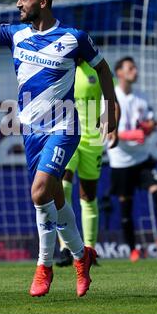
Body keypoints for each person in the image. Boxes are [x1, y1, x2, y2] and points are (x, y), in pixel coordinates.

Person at [0, 0, 117, 296]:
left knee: (38, 192)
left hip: (64, 125)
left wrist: (111, 110)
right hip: (30, 130)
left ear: (42, 2)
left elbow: (104, 70)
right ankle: (81, 256)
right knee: (55, 199)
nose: (18, 3)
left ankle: (43, 265)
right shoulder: (16, 34)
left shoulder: (74, 38)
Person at [107, 56, 157, 262]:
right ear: (119, 73)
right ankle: (133, 250)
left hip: (143, 158)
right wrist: (131, 134)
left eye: (135, 68)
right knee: (126, 207)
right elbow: (107, 132)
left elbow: (151, 121)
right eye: (130, 68)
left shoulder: (141, 97)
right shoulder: (111, 98)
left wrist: (150, 126)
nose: (135, 71)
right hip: (121, 161)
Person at [56, 59, 119, 267]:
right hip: (67, 135)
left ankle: (90, 249)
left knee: (88, 195)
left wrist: (113, 127)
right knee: (62, 184)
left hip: (93, 140)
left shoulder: (98, 69)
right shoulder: (62, 68)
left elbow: (113, 101)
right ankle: (66, 247)